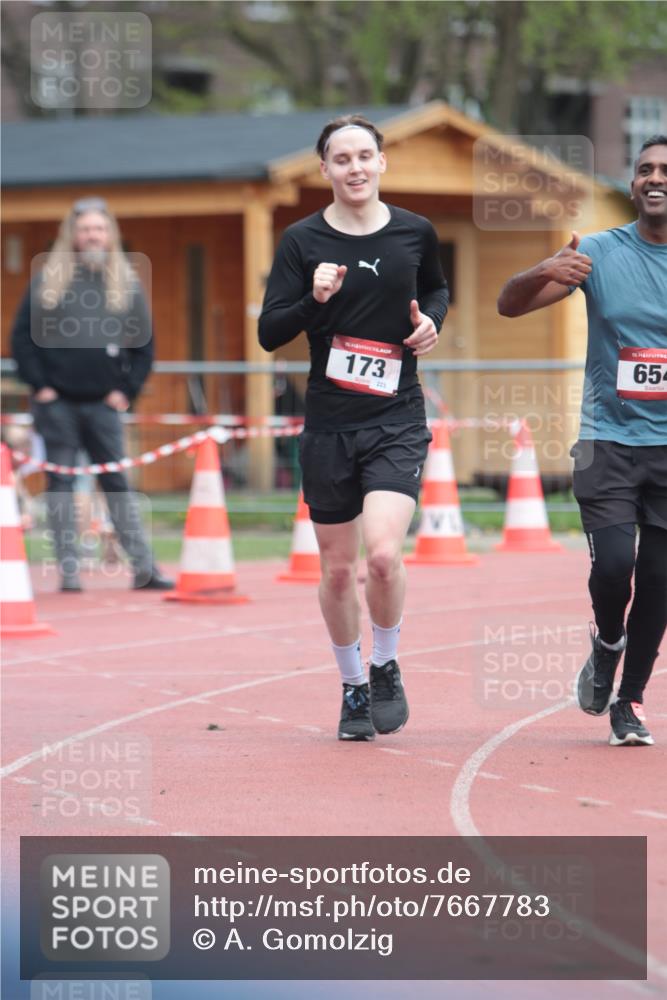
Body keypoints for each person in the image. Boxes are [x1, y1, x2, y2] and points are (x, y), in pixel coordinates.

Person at [259, 115, 449, 741]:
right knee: (339, 570)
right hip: (330, 424)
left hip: (396, 416)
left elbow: (436, 290)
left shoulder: (415, 231)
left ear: (382, 161)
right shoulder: (301, 241)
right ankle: (352, 686)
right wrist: (311, 300)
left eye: (364, 155)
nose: (355, 168)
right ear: (325, 170)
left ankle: (385, 663)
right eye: (341, 159)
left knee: (385, 556)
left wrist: (433, 323)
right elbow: (269, 333)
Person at [497, 135, 667, 747]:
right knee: (616, 566)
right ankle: (607, 642)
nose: (655, 178)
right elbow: (509, 307)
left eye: (665, 170)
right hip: (608, 440)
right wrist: (542, 270)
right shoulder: (596, 252)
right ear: (633, 185)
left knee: (659, 581)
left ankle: (630, 700)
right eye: (645, 169)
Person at [11, 197, 174, 592]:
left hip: (104, 406)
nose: (92, 236)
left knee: (117, 483)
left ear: (109, 234)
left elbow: (144, 347)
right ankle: (69, 573)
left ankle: (145, 569)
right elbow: (21, 339)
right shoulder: (48, 281)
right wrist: (41, 386)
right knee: (60, 485)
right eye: (85, 229)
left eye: (99, 229)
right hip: (57, 406)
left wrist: (127, 390)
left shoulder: (125, 283)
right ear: (73, 234)